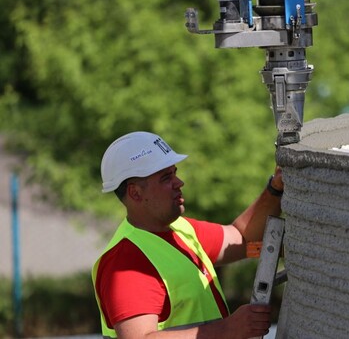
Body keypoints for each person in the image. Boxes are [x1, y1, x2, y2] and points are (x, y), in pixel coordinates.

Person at [92, 131, 284, 338]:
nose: (179, 182)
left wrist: (275, 188)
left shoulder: (182, 230)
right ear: (135, 193)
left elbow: (243, 237)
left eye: (174, 173)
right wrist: (228, 330)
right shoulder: (125, 261)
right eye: (166, 177)